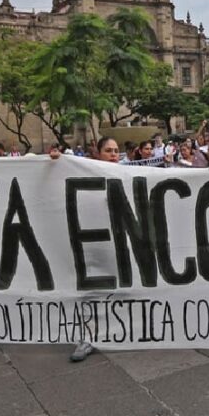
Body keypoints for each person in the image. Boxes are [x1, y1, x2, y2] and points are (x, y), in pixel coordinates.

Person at [66, 136, 119, 362]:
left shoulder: (130, 174)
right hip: (94, 243)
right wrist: (54, 162)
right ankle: (87, 337)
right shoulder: (84, 174)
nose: (114, 154)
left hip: (121, 244)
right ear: (98, 153)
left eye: (116, 150)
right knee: (92, 291)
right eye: (108, 150)